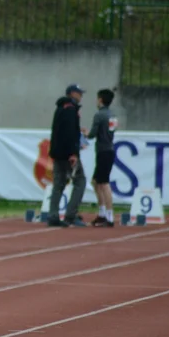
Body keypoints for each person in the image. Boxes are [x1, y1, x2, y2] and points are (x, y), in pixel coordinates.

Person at [47, 83, 88, 228]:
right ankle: (70, 215)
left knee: (58, 184)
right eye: (79, 93)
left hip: (57, 152)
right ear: (72, 93)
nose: (81, 96)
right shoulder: (71, 110)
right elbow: (70, 134)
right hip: (68, 154)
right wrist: (73, 153)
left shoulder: (60, 108)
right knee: (80, 182)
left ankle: (53, 215)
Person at [87, 88, 118, 227]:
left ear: (100, 100)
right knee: (95, 181)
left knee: (104, 183)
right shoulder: (113, 116)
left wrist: (85, 133)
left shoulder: (99, 115)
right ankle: (102, 213)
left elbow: (92, 134)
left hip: (103, 150)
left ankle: (109, 216)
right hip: (109, 149)